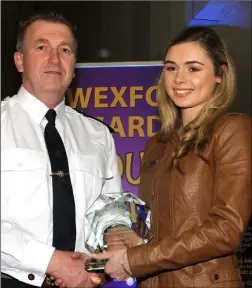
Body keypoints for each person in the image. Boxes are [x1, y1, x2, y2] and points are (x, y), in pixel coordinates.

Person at [93, 26, 252, 287]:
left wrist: (135, 260)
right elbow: (156, 229)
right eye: (171, 68)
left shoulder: (232, 130)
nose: (179, 78)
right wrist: (133, 242)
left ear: (219, 75)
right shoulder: (157, 143)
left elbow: (227, 229)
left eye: (193, 68)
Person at [1, 11, 139, 288]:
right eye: (42, 47)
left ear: (74, 64)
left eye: (65, 50)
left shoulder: (98, 134)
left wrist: (114, 235)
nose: (54, 59)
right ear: (19, 60)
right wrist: (52, 261)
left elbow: (109, 209)